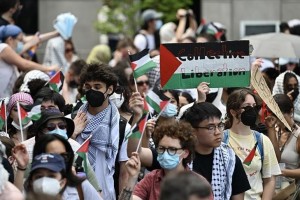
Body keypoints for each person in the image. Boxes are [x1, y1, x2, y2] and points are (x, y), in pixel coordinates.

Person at [128, 99, 250, 200]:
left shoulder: (229, 159)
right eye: (211, 127)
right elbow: (135, 152)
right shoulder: (154, 178)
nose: (218, 132)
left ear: (185, 153)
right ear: (194, 130)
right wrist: (138, 117)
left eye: (220, 126)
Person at [120, 121, 211, 200]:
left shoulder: (198, 183)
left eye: (172, 149)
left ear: (185, 153)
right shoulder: (151, 179)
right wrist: (132, 178)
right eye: (162, 148)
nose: (165, 153)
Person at [76, 62, 126, 200]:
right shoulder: (72, 119)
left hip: (106, 194)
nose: (92, 91)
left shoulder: (121, 126)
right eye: (88, 87)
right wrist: (72, 133)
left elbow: (124, 172)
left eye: (97, 87)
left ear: (109, 89)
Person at [225, 88, 281, 199]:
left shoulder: (262, 140)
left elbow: (269, 179)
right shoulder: (221, 140)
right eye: (247, 107)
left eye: (255, 106)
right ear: (233, 112)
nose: (252, 110)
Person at [32, 134, 103, 199]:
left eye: (64, 156)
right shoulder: (26, 189)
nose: (60, 160)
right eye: (54, 156)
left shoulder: (81, 186)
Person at [0, 24, 59, 98]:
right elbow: (25, 65)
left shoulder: (9, 52)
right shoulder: (3, 47)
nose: (22, 43)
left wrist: (56, 33)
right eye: (20, 40)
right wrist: (48, 68)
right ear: (10, 40)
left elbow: (35, 39)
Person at [265, 94, 300, 189]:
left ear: (291, 112)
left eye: (280, 116)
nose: (277, 120)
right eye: (273, 115)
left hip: (290, 189)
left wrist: (282, 172)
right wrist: (271, 129)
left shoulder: (298, 135)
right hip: (273, 187)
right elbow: (275, 159)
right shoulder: (274, 130)